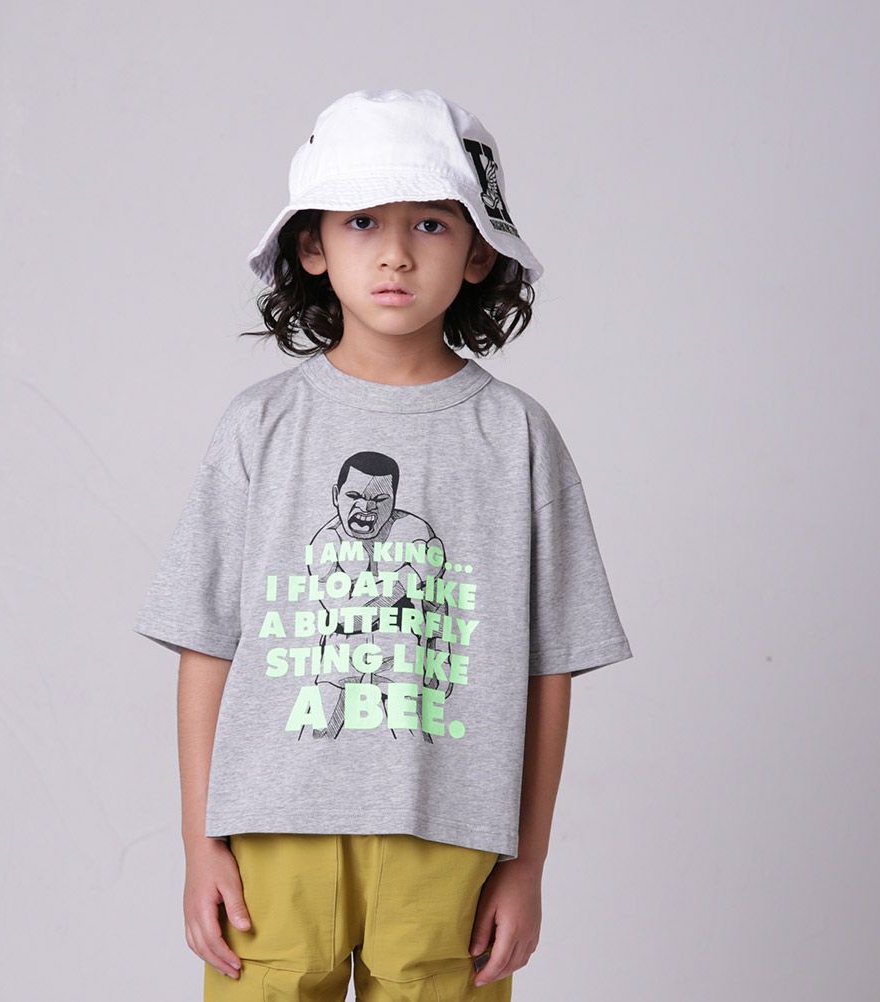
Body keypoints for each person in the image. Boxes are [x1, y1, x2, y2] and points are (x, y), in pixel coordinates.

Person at [133, 88, 633, 1001]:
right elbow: (206, 643)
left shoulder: (517, 438)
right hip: (272, 830)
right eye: (362, 220)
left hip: (451, 833)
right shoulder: (259, 427)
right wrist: (199, 842)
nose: (396, 253)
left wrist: (526, 864)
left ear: (479, 252)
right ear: (313, 246)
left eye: (431, 224)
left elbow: (549, 666)